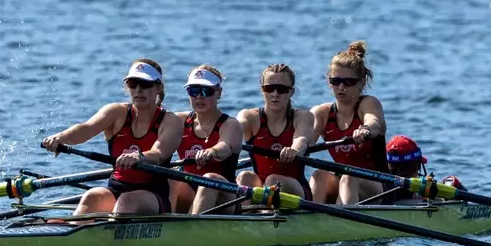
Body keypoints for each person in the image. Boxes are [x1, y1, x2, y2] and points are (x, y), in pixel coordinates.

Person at [41, 58, 183, 216]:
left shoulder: (171, 121)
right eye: (132, 84)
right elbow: (86, 129)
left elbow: (158, 153)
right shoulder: (116, 113)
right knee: (91, 196)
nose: (138, 90)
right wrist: (61, 137)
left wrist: (139, 156)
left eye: (145, 84)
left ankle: (108, 233)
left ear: (158, 87)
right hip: (117, 188)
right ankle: (73, 235)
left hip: (153, 194)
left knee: (127, 201)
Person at [309, 40, 388, 205]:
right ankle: (312, 221)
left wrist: (365, 129)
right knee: (319, 175)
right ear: (328, 82)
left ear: (362, 83)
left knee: (349, 177)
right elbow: (306, 140)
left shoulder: (368, 104)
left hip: (379, 185)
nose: (341, 87)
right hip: (343, 180)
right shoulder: (322, 114)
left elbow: (374, 122)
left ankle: (339, 222)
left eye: (348, 82)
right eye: (335, 81)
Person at [237, 63, 315, 203]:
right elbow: (231, 133)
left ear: (291, 92)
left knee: (274, 179)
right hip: (262, 187)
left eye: (281, 89)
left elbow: (301, 139)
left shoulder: (302, 116)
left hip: (296, 190)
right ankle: (247, 218)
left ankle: (263, 217)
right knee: (244, 177)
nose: (274, 94)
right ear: (263, 90)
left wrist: (294, 150)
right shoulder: (249, 118)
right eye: (269, 89)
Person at [171, 65, 242, 213]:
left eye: (206, 91)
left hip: (225, 197)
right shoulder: (179, 121)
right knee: (170, 177)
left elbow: (225, 146)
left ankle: (192, 229)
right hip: (190, 190)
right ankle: (166, 224)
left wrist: (212, 151)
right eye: (193, 91)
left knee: (209, 179)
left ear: (219, 93)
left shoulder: (230, 124)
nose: (199, 97)